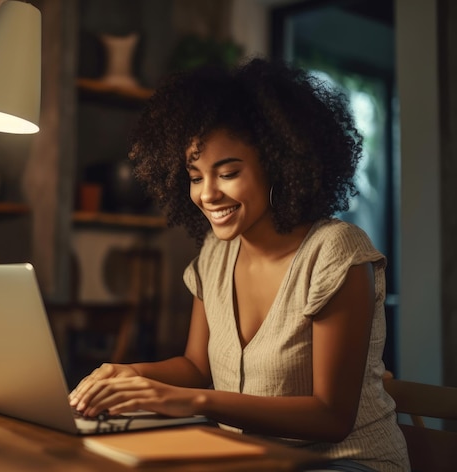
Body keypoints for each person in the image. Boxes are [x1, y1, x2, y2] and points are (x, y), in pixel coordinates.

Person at [69, 57, 410, 472]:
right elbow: (196, 367)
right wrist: (128, 374)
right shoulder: (215, 252)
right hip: (246, 461)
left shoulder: (336, 252)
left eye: (227, 172)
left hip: (348, 463)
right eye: (195, 177)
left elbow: (331, 417)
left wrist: (188, 402)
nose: (208, 194)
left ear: (280, 166)